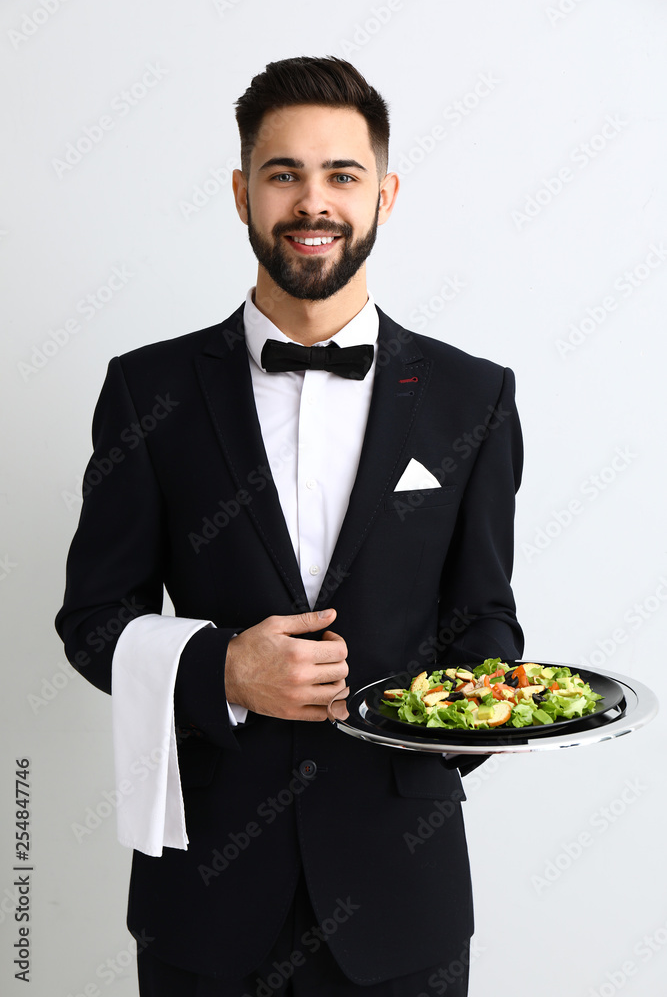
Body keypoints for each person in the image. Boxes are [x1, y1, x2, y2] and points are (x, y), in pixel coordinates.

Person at [55, 56, 523, 996]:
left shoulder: (474, 395)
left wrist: (473, 710)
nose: (314, 202)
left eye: (342, 175)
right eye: (284, 174)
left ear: (384, 193)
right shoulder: (149, 391)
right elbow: (93, 620)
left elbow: (484, 618)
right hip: (207, 891)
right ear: (242, 193)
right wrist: (222, 668)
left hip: (403, 891)